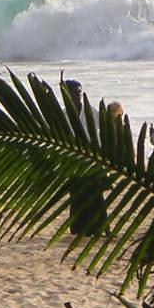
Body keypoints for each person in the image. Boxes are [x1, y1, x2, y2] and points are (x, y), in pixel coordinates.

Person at [63, 79, 107, 235]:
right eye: (74, 93)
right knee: (77, 195)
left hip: (92, 158)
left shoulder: (90, 111)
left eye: (79, 92)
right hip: (73, 160)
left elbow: (105, 127)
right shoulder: (62, 115)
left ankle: (99, 227)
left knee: (95, 195)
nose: (78, 96)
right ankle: (78, 228)